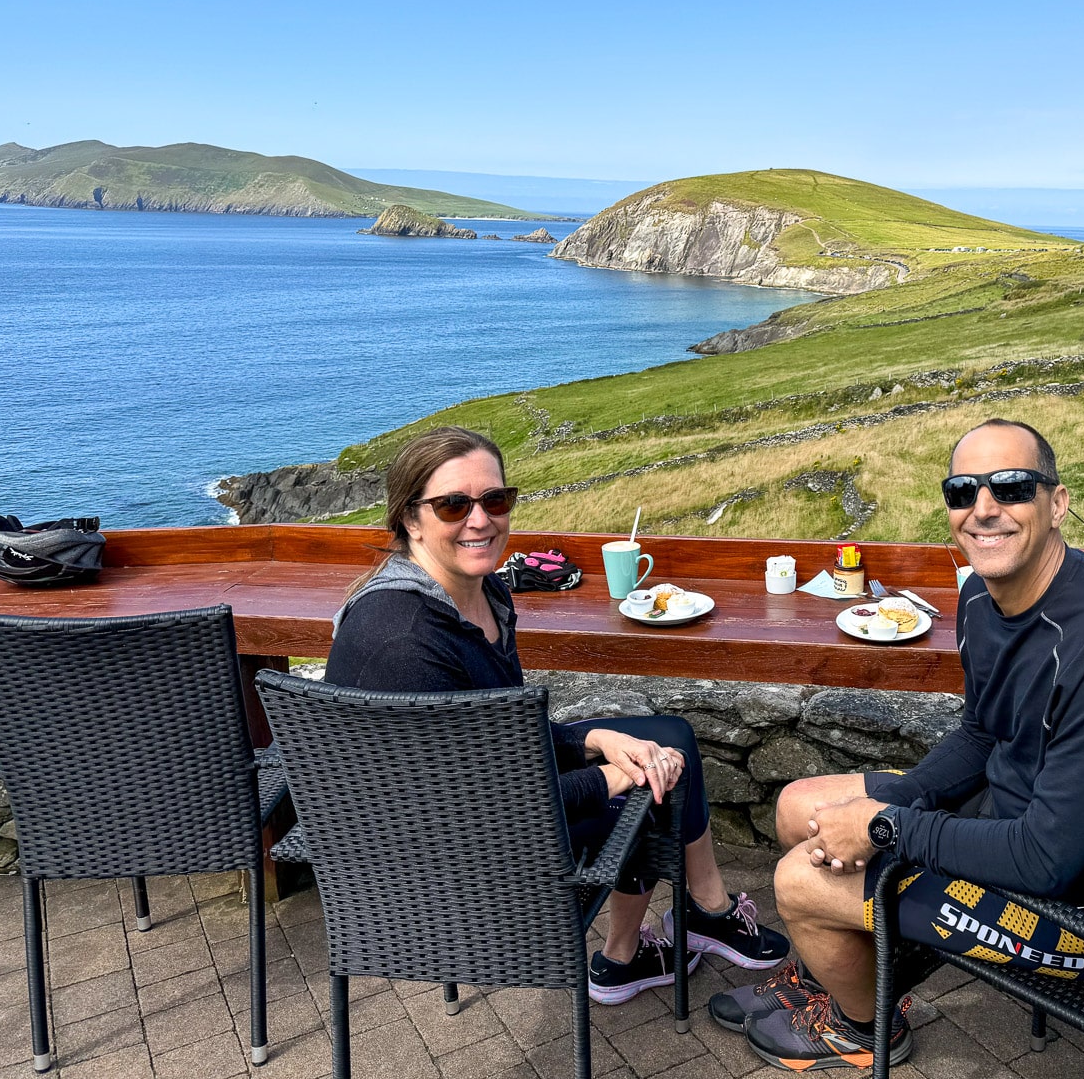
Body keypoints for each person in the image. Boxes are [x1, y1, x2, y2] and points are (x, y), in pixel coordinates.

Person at [715, 418, 1084, 1071]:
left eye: (1011, 488)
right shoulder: (980, 597)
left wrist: (890, 827)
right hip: (1011, 825)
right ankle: (836, 976)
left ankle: (862, 1027)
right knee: (799, 805)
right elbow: (982, 733)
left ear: (1057, 504)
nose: (984, 509)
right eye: (962, 490)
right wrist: (899, 804)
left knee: (799, 882)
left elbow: (1045, 861)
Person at [326, 425, 789, 1003]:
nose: (480, 519)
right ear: (410, 520)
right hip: (447, 871)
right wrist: (608, 776)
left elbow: (497, 736)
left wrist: (595, 737)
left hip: (482, 810)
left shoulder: (484, 592)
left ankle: (706, 908)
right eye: (452, 505)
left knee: (666, 737)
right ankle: (624, 955)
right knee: (649, 779)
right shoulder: (404, 640)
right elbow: (479, 805)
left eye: (495, 500)